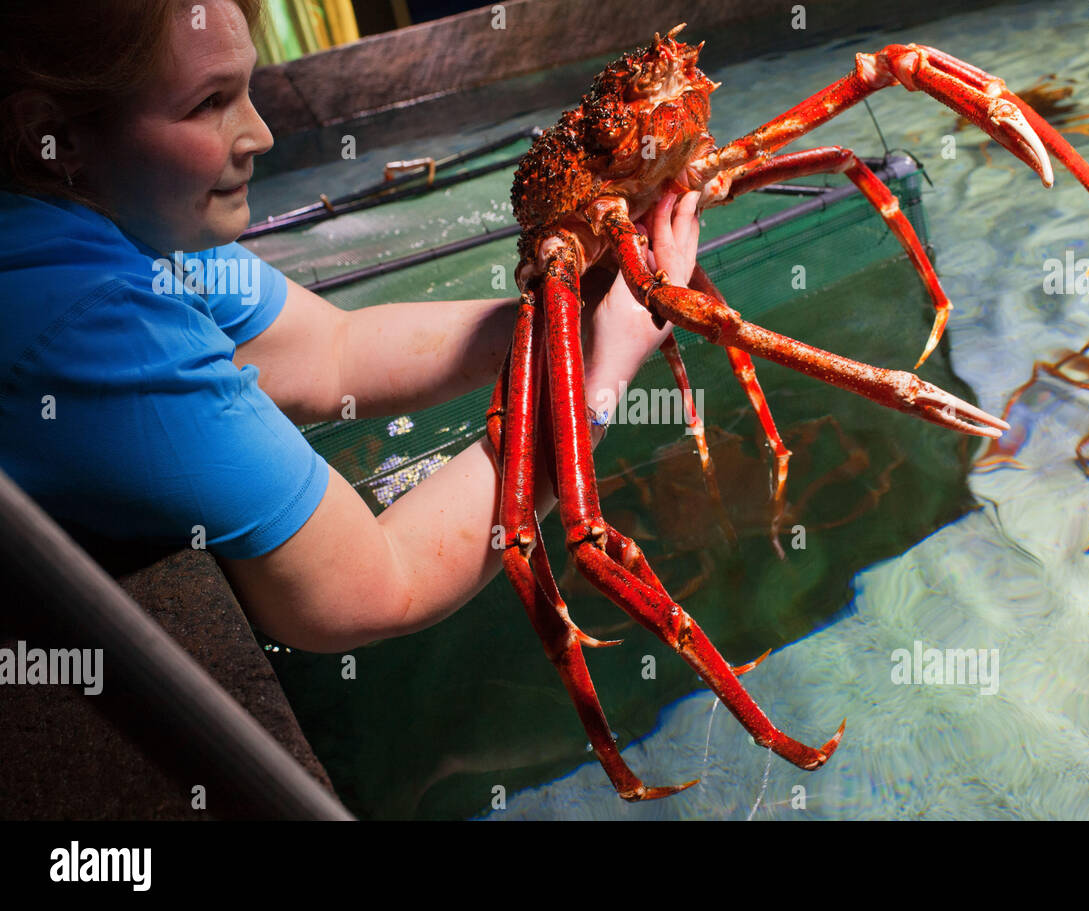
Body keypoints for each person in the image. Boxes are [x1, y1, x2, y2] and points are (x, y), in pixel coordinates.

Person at [0, 0, 701, 652]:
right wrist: (602, 374)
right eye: (209, 103)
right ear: (48, 136)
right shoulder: (100, 324)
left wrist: (574, 317)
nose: (261, 135)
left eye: (248, 90)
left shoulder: (123, 225)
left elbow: (333, 353)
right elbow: (374, 585)